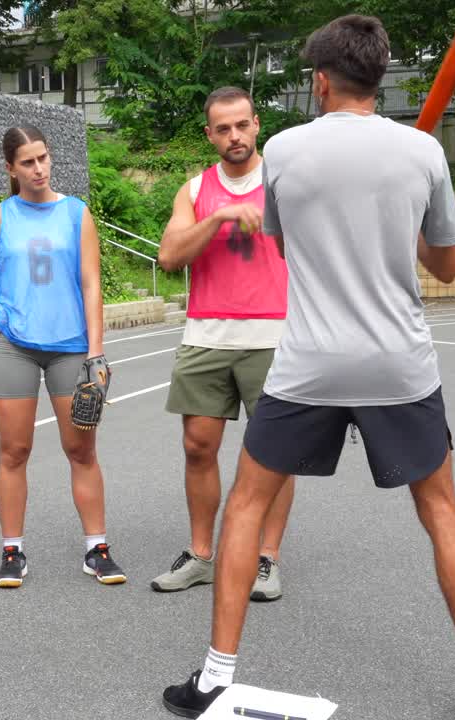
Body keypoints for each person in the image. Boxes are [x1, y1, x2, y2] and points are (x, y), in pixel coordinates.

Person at [160, 16, 455, 720]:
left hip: (309, 363)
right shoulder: (421, 154)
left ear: (321, 80)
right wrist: (406, 218)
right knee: (441, 507)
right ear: (380, 76)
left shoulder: (285, 151)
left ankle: (213, 678)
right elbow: (445, 267)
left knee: (248, 506)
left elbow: (291, 247)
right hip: (398, 364)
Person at [0, 125, 125, 589]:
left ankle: (97, 549)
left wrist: (97, 351)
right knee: (14, 451)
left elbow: (91, 284)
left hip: (70, 348)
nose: (39, 168)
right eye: (27, 162)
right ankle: (12, 552)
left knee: (80, 449)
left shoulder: (76, 213)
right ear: (10, 168)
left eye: (43, 157)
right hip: (16, 348)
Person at [151, 86, 296, 602]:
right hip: (207, 334)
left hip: (274, 335)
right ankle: (202, 556)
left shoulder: (283, 183)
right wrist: (218, 217)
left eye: (242, 125)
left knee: (275, 453)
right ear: (210, 134)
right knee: (198, 448)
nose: (234, 136)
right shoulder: (195, 191)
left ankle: (266, 559)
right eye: (223, 128)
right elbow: (170, 255)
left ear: (257, 124)